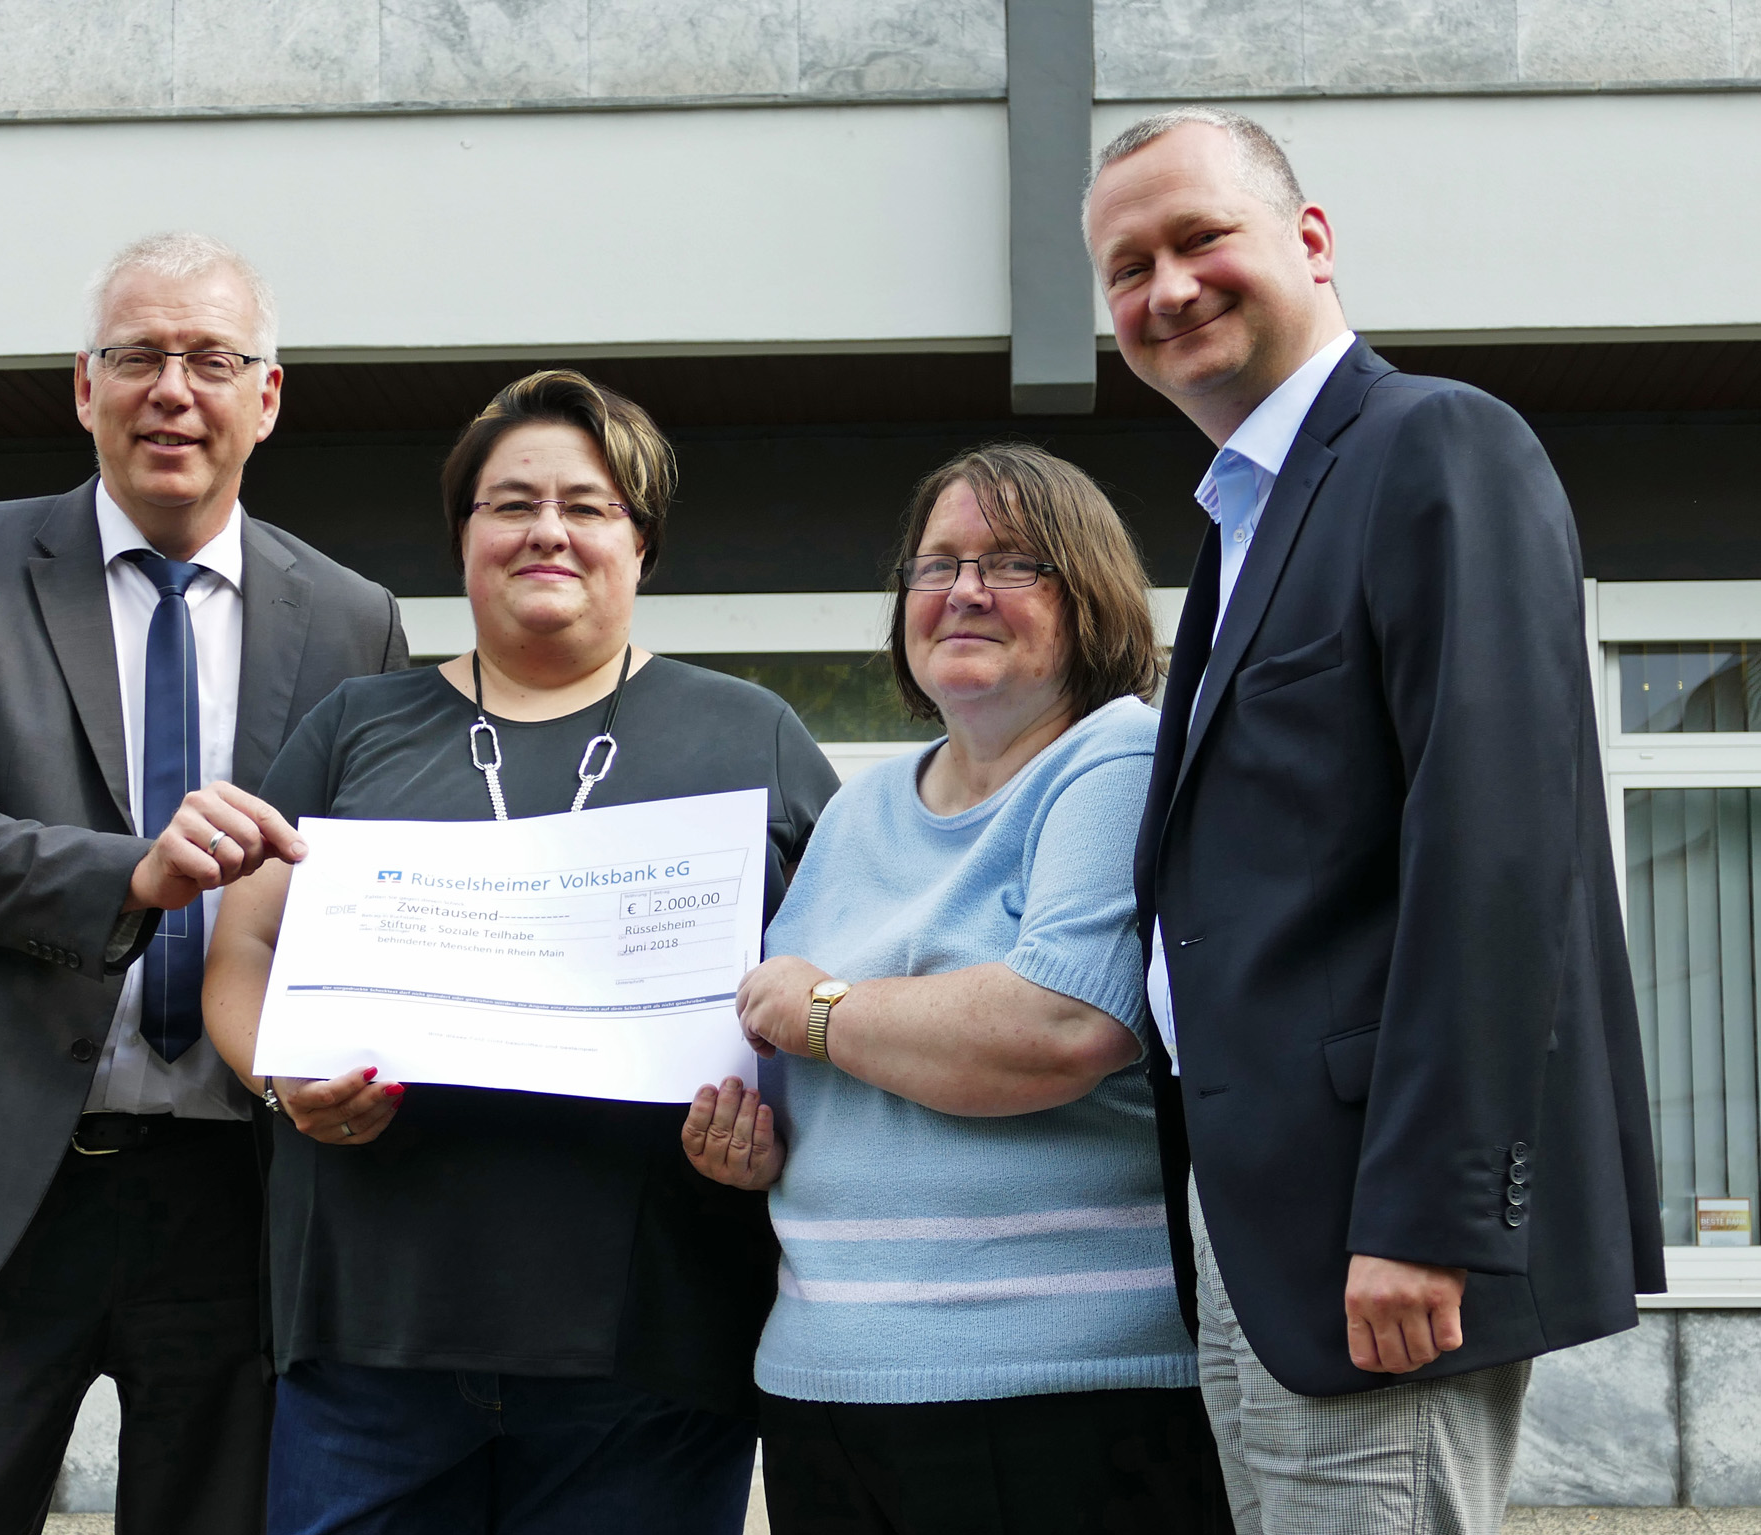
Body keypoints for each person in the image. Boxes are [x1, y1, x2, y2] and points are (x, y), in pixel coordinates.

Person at [1082, 108, 1665, 1532]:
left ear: (1311, 239)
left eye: (1199, 236)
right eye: (1124, 267)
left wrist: (1423, 1213)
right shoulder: (1243, 521)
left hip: (1373, 1229)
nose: (1164, 289)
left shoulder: (1432, 446)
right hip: (1256, 1227)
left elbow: (1496, 853)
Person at [0, 232, 408, 1533]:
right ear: (81, 385)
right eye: (138, 354)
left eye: (211, 357)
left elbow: (360, 895)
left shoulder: (354, 619)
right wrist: (129, 874)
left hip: (237, 1196)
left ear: (266, 397)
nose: (172, 388)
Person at [204, 368, 839, 1534]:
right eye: (510, 502)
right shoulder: (353, 729)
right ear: (463, 539)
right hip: (368, 1334)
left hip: (650, 1347)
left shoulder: (750, 732)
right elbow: (243, 943)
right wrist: (276, 1077)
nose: (548, 528)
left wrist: (776, 1130)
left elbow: (829, 986)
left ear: (638, 544)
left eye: (588, 505)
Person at [685, 443, 1228, 1534]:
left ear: (1089, 597)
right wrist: (744, 1136)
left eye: (1012, 562)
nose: (963, 590)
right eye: (935, 566)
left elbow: (1060, 1024)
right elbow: (793, 1063)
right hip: (824, 1386)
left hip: (1061, 1393)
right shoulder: (861, 805)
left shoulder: (1113, 761)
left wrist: (821, 1010)